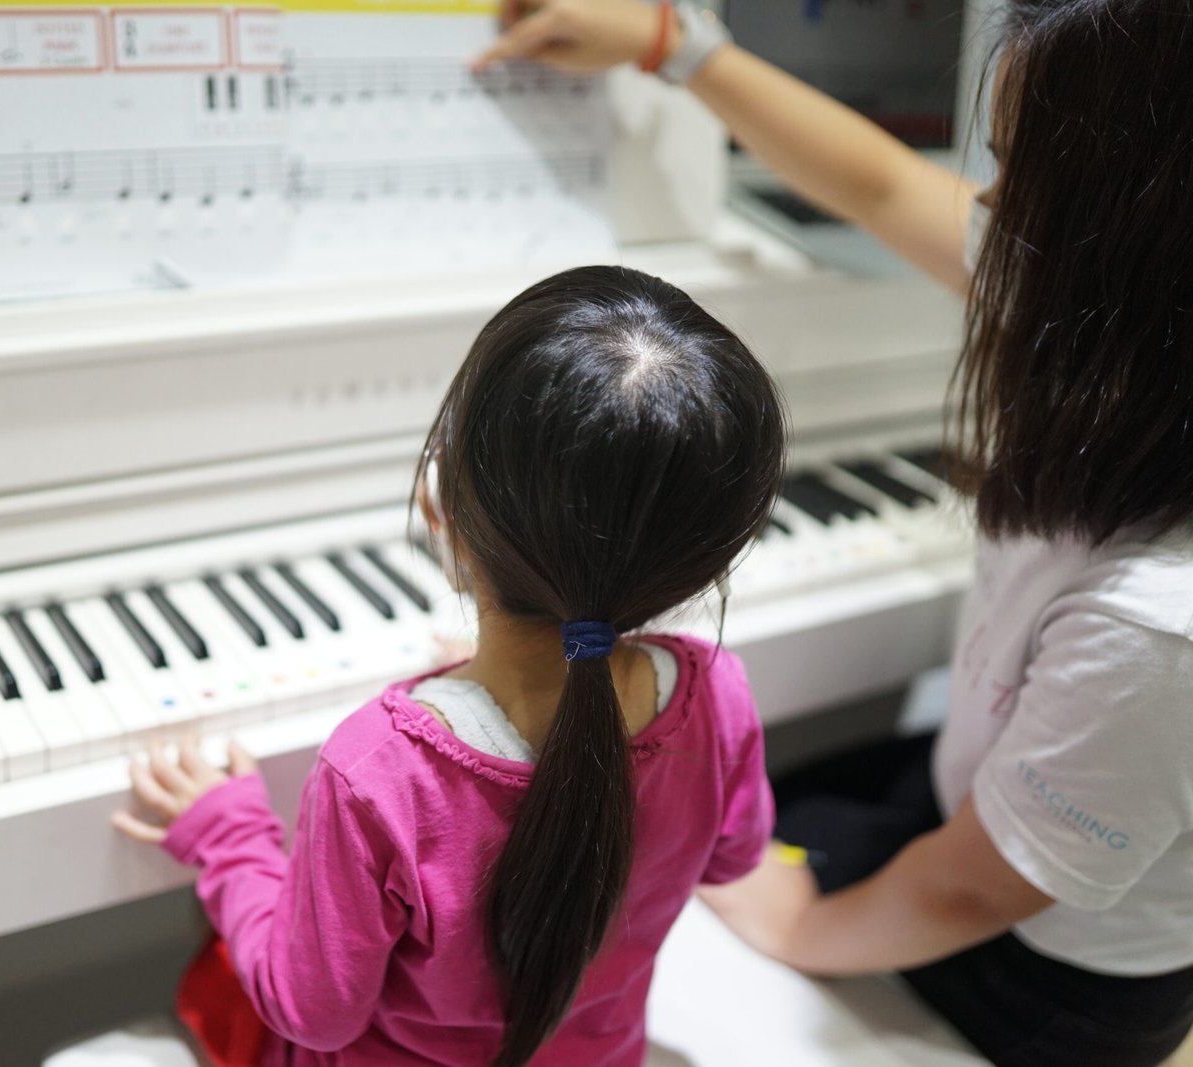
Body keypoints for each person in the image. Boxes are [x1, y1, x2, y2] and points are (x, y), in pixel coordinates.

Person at [479, 2, 1193, 1065]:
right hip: (970, 809)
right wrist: (676, 47)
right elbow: (881, 184)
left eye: (1016, 175)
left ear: (1130, 228)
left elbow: (973, 883)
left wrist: (795, 924)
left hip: (1048, 974)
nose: (984, 205)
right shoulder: (1126, 311)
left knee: (678, 879)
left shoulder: (1160, 618)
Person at [113, 265, 787, 1066]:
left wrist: (229, 837)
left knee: (223, 966)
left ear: (443, 507)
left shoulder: (380, 769)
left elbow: (311, 1012)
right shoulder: (718, 692)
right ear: (700, 565)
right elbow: (733, 856)